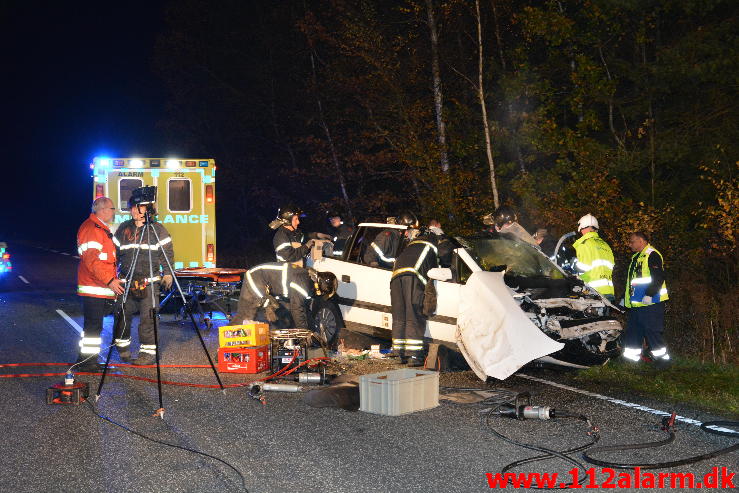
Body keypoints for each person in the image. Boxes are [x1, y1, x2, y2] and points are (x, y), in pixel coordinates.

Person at [112, 196, 175, 365]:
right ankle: (122, 349)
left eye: (138, 208)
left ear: (148, 210)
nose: (134, 210)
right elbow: (114, 254)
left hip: (149, 282)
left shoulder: (157, 229)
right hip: (126, 282)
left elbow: (167, 253)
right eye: (132, 207)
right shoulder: (123, 229)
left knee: (148, 318)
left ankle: (147, 354)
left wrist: (168, 273)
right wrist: (111, 278)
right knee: (122, 316)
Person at [74, 197, 124, 371]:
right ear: (102, 210)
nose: (114, 212)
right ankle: (88, 363)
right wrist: (109, 280)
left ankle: (84, 360)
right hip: (94, 285)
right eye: (112, 208)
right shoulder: (92, 229)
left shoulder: (100, 228)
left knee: (93, 327)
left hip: (98, 285)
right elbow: (92, 261)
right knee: (94, 327)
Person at [231, 262, 337, 330]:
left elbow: (303, 310)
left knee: (283, 314)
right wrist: (304, 333)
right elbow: (297, 308)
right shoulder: (303, 282)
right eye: (322, 292)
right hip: (255, 278)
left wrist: (311, 329)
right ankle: (225, 348)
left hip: (265, 283)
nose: (320, 294)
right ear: (321, 284)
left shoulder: (308, 280)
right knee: (246, 315)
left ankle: (279, 345)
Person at [390, 229, 440, 366]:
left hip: (395, 278)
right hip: (413, 277)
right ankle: (414, 355)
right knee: (414, 315)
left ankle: (399, 354)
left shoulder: (412, 244)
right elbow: (438, 268)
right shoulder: (432, 247)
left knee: (399, 315)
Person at [622, 231, 671, 366]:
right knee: (633, 333)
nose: (630, 244)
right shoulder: (637, 257)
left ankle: (662, 363)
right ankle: (631, 363)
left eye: (632, 241)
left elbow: (658, 277)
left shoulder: (652, 255)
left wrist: (650, 294)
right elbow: (633, 282)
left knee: (653, 332)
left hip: (651, 303)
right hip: (637, 305)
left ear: (641, 241)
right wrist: (624, 299)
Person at [572, 214, 615, 301]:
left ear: (583, 227)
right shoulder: (606, 245)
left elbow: (584, 267)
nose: (581, 232)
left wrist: (574, 264)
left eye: (581, 230)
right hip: (608, 291)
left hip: (593, 292)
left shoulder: (585, 243)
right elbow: (611, 266)